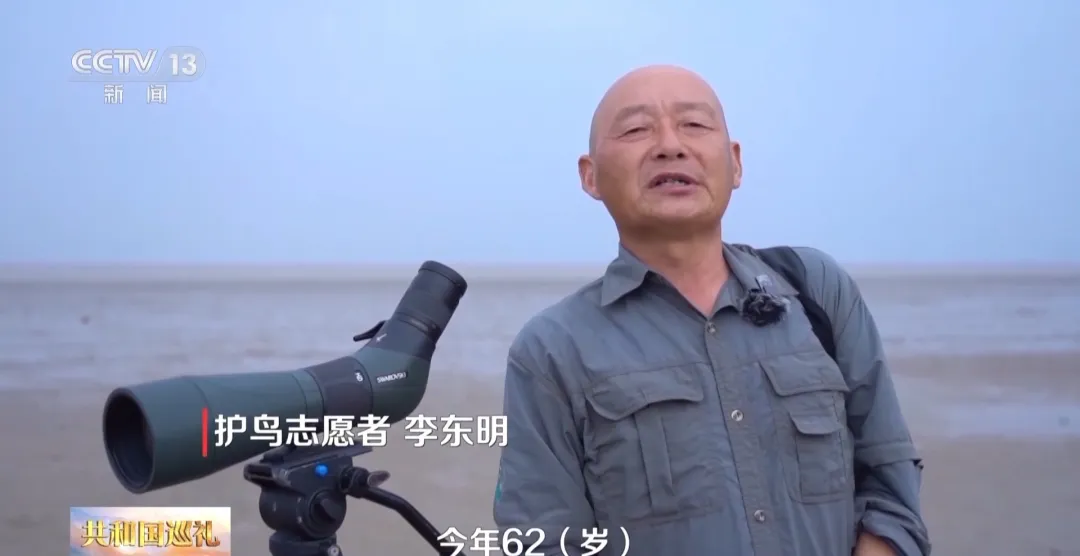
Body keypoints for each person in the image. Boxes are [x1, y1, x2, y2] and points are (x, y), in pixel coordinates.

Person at [492, 65, 930, 556]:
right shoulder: (552, 349)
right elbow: (543, 542)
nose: (670, 145)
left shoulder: (816, 291)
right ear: (590, 176)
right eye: (636, 130)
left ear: (735, 163)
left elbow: (890, 479)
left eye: (695, 124)